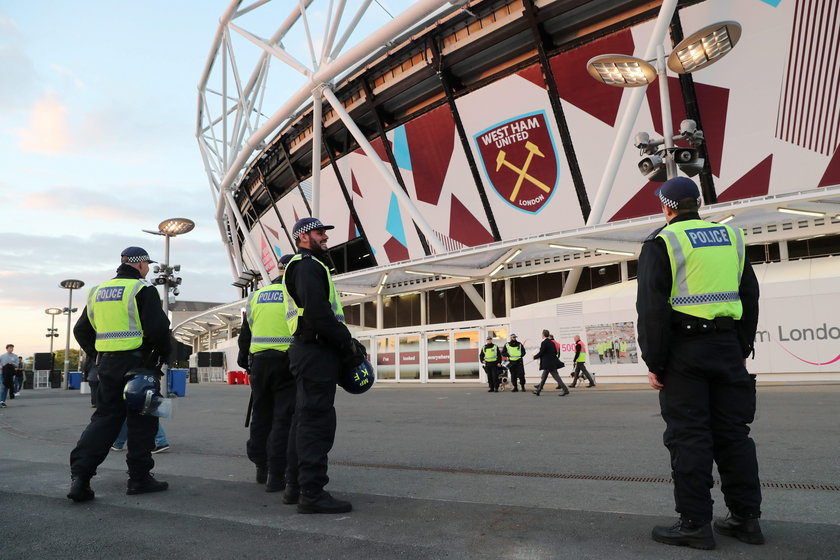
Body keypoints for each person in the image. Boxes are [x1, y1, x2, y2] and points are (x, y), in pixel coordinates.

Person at [637, 177, 762, 549]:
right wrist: (742, 345)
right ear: (698, 203)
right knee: (734, 435)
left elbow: (652, 309)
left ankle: (695, 523)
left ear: (667, 207)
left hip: (684, 352)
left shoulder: (662, 242)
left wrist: (655, 361)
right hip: (727, 347)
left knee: (689, 436)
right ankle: (746, 519)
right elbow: (750, 296)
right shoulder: (731, 238)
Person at [67, 246, 171, 502]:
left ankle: (81, 476)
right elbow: (159, 328)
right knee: (143, 421)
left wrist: (98, 355)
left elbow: (81, 330)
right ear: (140, 264)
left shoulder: (97, 292)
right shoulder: (142, 289)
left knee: (104, 419)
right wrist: (162, 356)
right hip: (139, 365)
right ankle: (139, 479)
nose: (147, 268)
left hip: (108, 366)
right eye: (146, 264)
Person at [283, 218, 364, 514]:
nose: (325, 237)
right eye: (320, 233)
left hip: (310, 349)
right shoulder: (307, 265)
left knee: (302, 420)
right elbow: (318, 313)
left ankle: (295, 486)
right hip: (316, 350)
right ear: (303, 237)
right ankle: (312, 493)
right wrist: (347, 342)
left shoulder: (308, 265)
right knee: (316, 421)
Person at [238, 253, 299, 498]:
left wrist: (246, 361)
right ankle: (276, 474)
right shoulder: (294, 292)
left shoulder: (256, 295)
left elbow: (246, 333)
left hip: (260, 364)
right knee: (283, 418)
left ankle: (260, 466)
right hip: (287, 362)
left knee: (261, 414)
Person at [532, 330, 568, 396]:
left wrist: (535, 356)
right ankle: (538, 390)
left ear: (543, 335)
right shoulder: (551, 342)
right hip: (551, 362)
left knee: (556, 377)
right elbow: (555, 352)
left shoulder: (544, 343)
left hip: (548, 363)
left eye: (541, 334)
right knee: (544, 377)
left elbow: (541, 352)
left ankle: (565, 389)